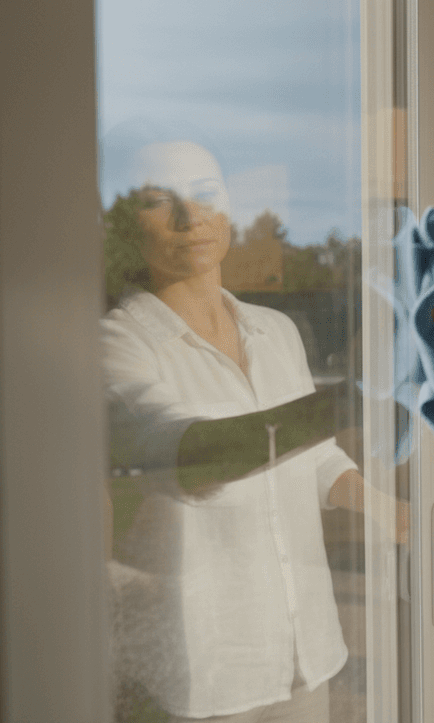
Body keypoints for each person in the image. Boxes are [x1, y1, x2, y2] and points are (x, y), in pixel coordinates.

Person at [100, 135, 405, 722]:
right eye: (159, 201)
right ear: (125, 227)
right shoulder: (118, 344)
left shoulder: (275, 331)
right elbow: (192, 457)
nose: (192, 218)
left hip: (305, 645)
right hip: (204, 668)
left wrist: (384, 507)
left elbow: (315, 458)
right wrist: (361, 397)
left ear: (230, 212)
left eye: (207, 194)